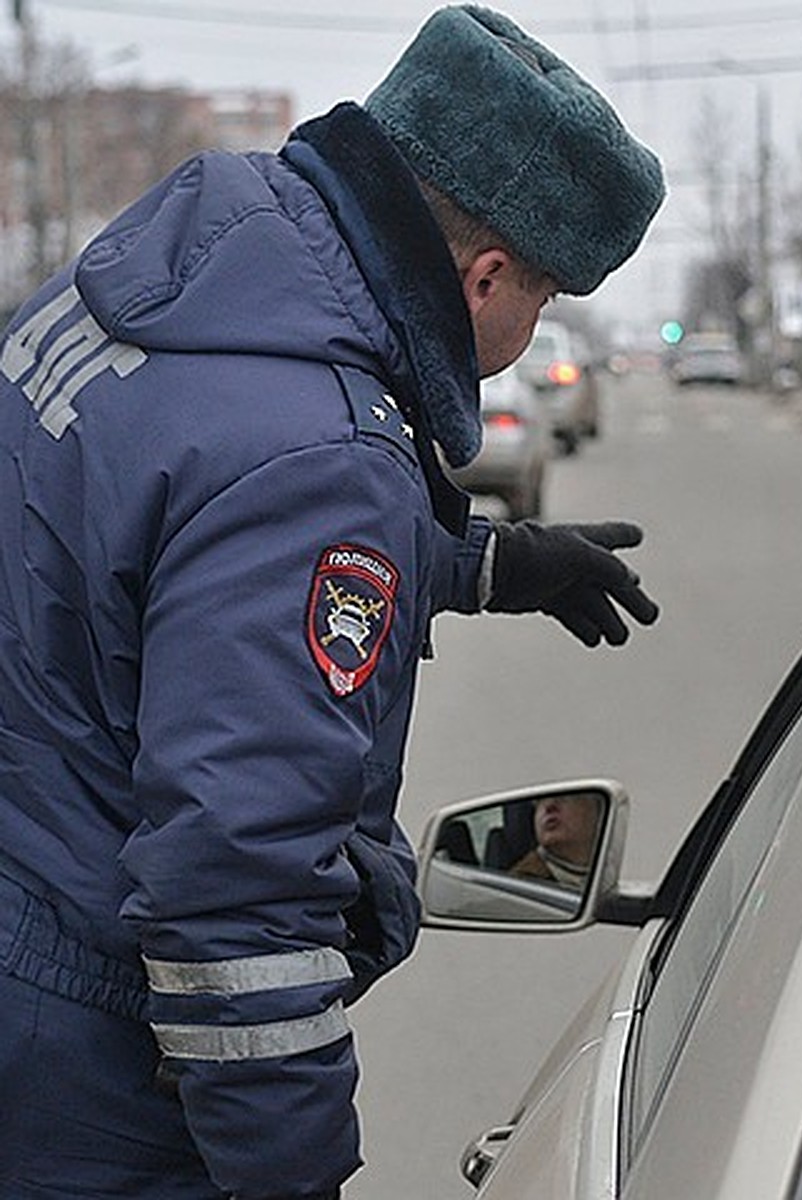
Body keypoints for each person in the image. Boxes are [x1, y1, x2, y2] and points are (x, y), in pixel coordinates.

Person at [0, 7, 664, 1199]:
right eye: (546, 299)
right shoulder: (320, 460)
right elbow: (236, 902)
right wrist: (292, 1172)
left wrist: (482, 564)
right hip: (80, 1073)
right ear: (487, 273)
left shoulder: (200, 274)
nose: (530, 331)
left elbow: (160, 539)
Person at [509, 793, 603, 890]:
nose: (549, 806)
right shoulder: (521, 884)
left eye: (565, 796)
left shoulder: (612, 871)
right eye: (540, 801)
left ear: (597, 812)